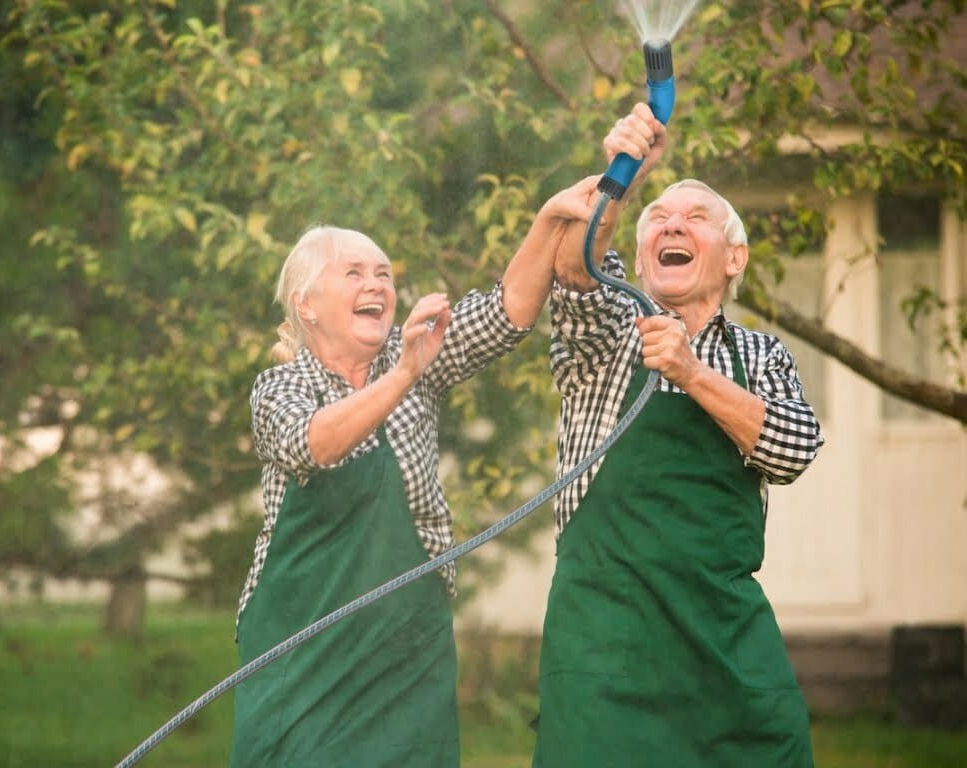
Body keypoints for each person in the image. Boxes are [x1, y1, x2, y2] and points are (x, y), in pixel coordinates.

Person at [229, 161, 622, 767]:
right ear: (306, 305)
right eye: (354, 272)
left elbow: (508, 311)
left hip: (404, 653)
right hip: (299, 656)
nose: (377, 284)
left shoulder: (416, 353)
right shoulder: (279, 388)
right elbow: (316, 444)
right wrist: (405, 372)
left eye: (384, 274)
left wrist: (548, 220)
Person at [532, 104, 825, 768]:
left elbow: (793, 449)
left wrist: (691, 372)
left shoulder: (763, 357)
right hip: (606, 643)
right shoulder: (605, 335)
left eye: (696, 218)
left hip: (723, 637)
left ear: (734, 256)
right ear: (637, 260)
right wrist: (624, 176)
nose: (673, 225)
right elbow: (576, 271)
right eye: (658, 220)